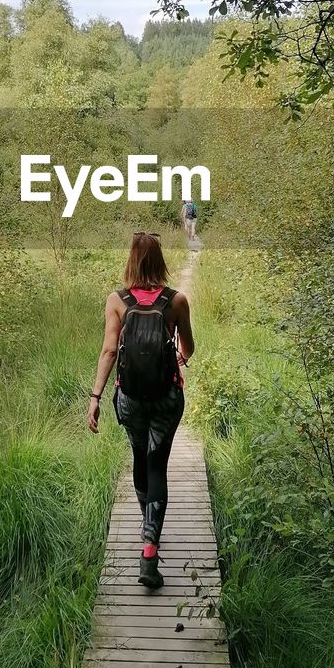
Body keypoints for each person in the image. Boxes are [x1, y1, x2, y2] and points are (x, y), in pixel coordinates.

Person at [86, 231, 195, 589]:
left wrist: (96, 397)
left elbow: (108, 351)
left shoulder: (117, 300)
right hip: (166, 398)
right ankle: (150, 550)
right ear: (160, 260)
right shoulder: (176, 300)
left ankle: (146, 522)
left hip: (129, 399)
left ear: (131, 261)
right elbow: (188, 348)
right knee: (157, 464)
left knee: (138, 457)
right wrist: (177, 354)